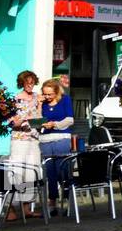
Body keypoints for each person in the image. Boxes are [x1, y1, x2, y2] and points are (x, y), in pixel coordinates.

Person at [7, 71, 43, 221]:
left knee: (31, 173)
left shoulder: (37, 97)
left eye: (32, 82)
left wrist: (39, 110)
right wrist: (23, 119)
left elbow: (39, 117)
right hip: (20, 139)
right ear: (21, 83)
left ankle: (26, 208)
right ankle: (10, 208)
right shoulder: (15, 99)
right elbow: (11, 122)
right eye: (27, 82)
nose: (30, 85)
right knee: (16, 172)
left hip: (33, 138)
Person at [37, 77, 76, 216]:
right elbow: (37, 119)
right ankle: (52, 204)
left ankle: (67, 203)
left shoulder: (65, 99)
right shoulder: (43, 103)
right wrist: (39, 105)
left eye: (50, 94)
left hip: (61, 138)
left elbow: (70, 119)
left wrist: (55, 124)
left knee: (62, 170)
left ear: (56, 92)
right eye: (45, 94)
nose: (47, 97)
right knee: (50, 173)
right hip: (45, 140)